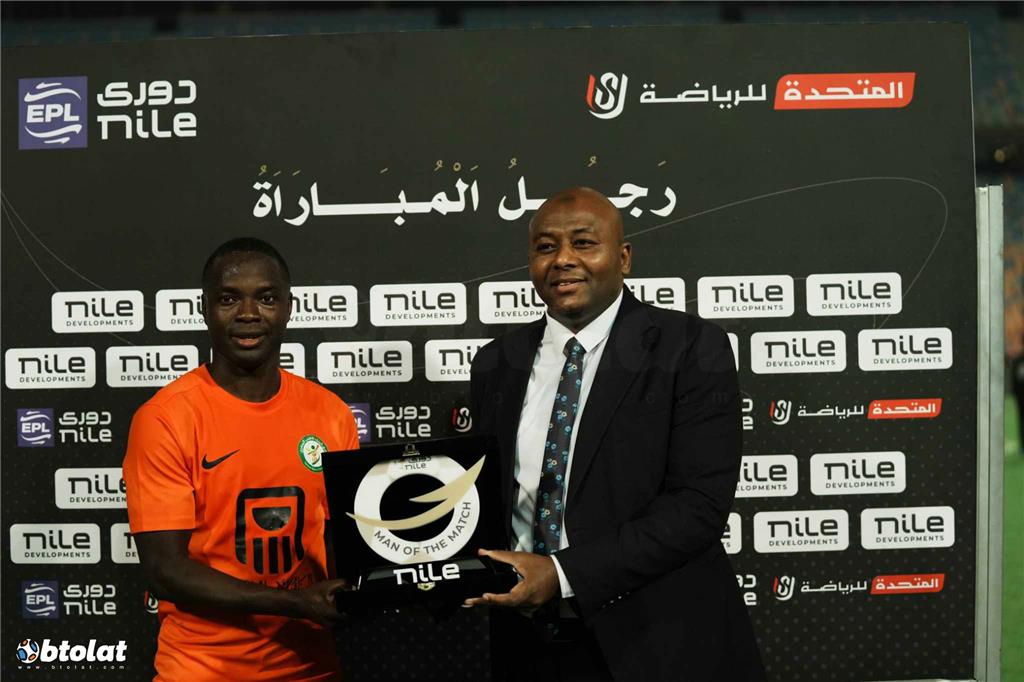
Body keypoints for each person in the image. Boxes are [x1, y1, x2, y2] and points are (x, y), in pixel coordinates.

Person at [467, 188, 765, 681]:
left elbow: (698, 507)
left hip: (657, 642)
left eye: (583, 243)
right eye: (546, 247)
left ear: (623, 258)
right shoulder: (496, 362)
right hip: (528, 644)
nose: (563, 259)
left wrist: (561, 574)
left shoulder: (691, 348)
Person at [123, 238, 357, 681]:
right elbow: (164, 570)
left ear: (288, 307)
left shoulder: (331, 414)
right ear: (204, 308)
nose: (249, 314)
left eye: (266, 298)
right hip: (202, 670)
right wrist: (294, 603)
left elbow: (341, 543)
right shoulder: (165, 419)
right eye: (229, 299)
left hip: (312, 668)